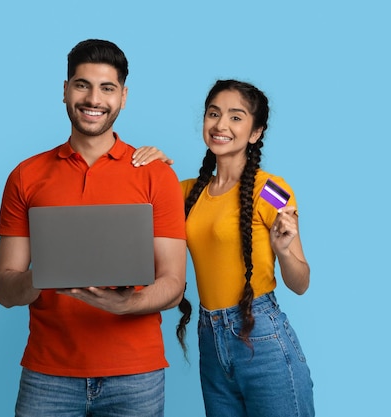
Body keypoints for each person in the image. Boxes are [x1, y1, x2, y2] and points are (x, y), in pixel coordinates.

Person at [0, 39, 187, 417]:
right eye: (82, 84)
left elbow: (174, 284)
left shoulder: (156, 175)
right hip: (48, 374)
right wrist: (46, 275)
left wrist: (125, 303)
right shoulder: (26, 175)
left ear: (123, 97)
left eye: (107, 88)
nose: (93, 98)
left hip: (136, 374)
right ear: (65, 90)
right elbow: (4, 288)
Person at [133, 79, 315, 417]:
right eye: (213, 114)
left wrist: (285, 250)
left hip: (261, 334)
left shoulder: (271, 190)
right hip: (209, 338)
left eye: (236, 117)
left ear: (255, 132)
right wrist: (152, 163)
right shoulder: (185, 192)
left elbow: (301, 283)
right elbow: (132, 204)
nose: (220, 125)